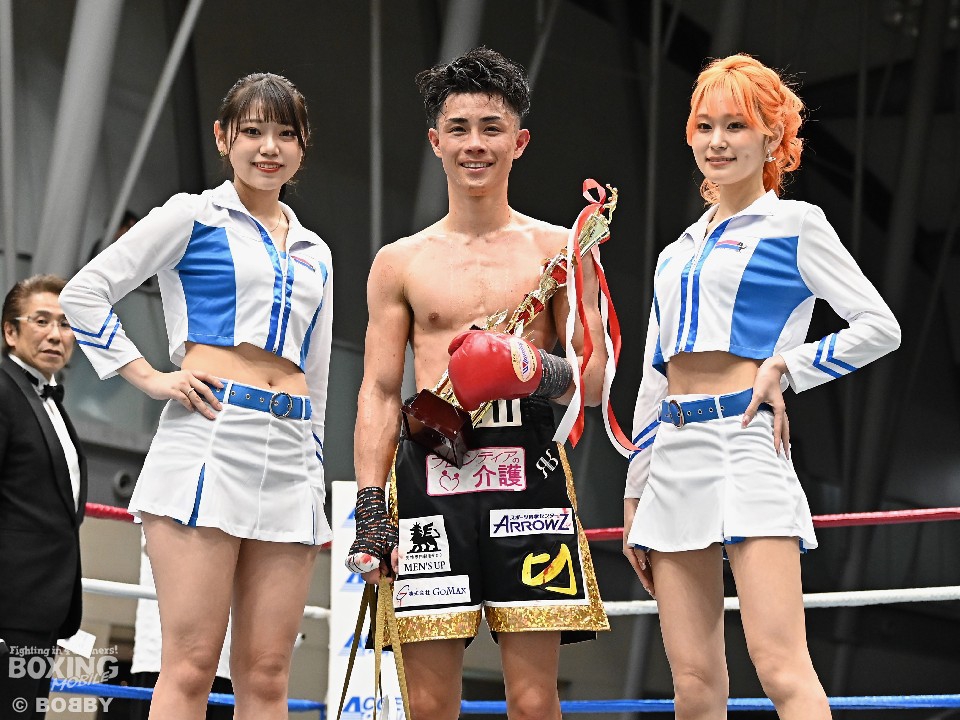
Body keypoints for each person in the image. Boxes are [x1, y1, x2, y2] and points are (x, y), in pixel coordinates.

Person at [621, 54, 901, 719]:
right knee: (693, 683)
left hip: (746, 444)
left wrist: (791, 369)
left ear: (772, 138)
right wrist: (636, 486)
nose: (717, 142)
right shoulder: (676, 250)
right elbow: (653, 373)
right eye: (705, 125)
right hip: (674, 454)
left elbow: (879, 326)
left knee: (781, 669)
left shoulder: (796, 226)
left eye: (736, 126)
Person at [60, 72, 333, 720]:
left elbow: (317, 376)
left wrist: (314, 462)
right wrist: (151, 376)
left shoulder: (317, 250)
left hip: (292, 457)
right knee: (190, 666)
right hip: (212, 436)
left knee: (267, 675)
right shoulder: (193, 214)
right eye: (253, 131)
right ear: (223, 137)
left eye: (285, 134)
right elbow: (83, 292)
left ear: (302, 146)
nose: (269, 147)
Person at [347, 47, 609, 720]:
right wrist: (372, 512)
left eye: (491, 128)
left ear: (519, 141)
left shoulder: (560, 248)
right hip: (431, 471)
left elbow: (597, 379)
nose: (475, 144)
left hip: (530, 474)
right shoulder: (399, 262)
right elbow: (378, 391)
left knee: (532, 697)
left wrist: (529, 368)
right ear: (436, 141)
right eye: (459, 128)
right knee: (429, 704)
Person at [0, 274, 87, 718]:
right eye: (42, 321)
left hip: (40, 611)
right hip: (9, 609)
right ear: (10, 332)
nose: (56, 334)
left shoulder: (47, 399)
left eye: (66, 323)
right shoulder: (3, 390)